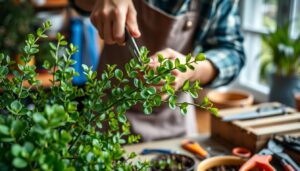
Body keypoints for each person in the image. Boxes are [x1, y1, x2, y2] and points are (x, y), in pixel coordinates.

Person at [71, 0, 245, 141]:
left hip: (174, 121)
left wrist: (189, 69)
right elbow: (78, 4)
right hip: (109, 116)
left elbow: (232, 52)